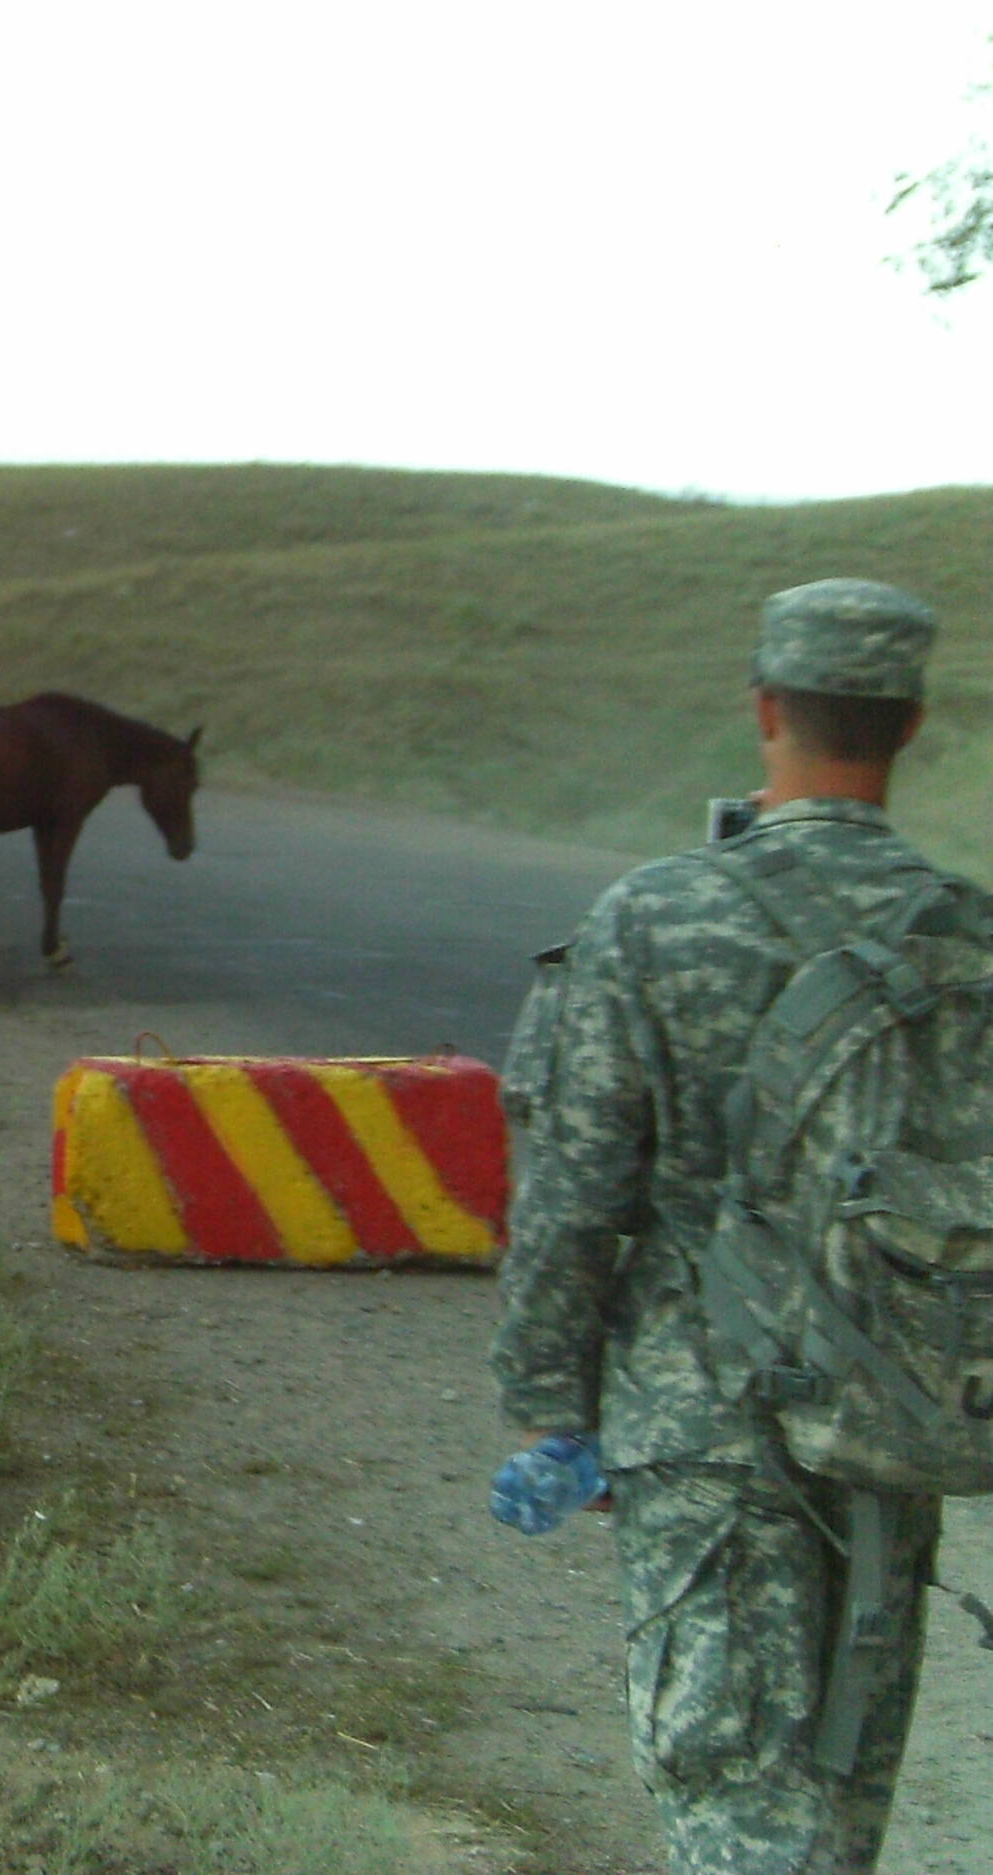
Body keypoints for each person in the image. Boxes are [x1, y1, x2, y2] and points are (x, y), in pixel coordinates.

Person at [490, 576, 986, 1874]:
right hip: (892, 1424)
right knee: (840, 1808)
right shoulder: (968, 940)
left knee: (734, 1805)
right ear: (912, 721)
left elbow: (574, 1198)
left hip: (703, 1429)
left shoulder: (658, 917)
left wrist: (552, 1411)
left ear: (766, 708)